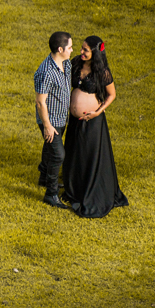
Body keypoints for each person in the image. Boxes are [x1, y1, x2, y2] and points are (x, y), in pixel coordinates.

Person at [62, 36, 128, 217]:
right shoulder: (76, 63)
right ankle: (74, 187)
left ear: (95, 54)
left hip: (92, 121)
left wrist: (98, 112)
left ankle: (89, 190)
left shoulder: (102, 72)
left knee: (89, 155)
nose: (81, 52)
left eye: (85, 50)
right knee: (75, 153)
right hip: (75, 120)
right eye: (81, 48)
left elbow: (111, 95)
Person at [34, 31, 73, 209]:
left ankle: (43, 177)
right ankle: (51, 194)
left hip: (61, 118)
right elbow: (41, 102)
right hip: (50, 120)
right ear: (60, 49)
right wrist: (47, 126)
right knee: (58, 154)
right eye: (70, 47)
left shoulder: (67, 64)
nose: (72, 50)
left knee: (50, 148)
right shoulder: (47, 72)